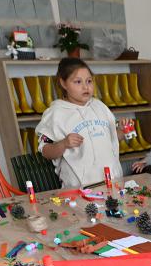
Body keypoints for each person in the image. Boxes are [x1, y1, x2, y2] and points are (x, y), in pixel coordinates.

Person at [37, 58, 122, 189]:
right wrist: (64, 143)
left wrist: (123, 131)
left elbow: (114, 138)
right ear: (63, 83)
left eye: (89, 81)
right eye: (78, 82)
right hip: (79, 188)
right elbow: (45, 151)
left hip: (113, 182)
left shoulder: (100, 106)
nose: (85, 87)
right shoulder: (55, 113)